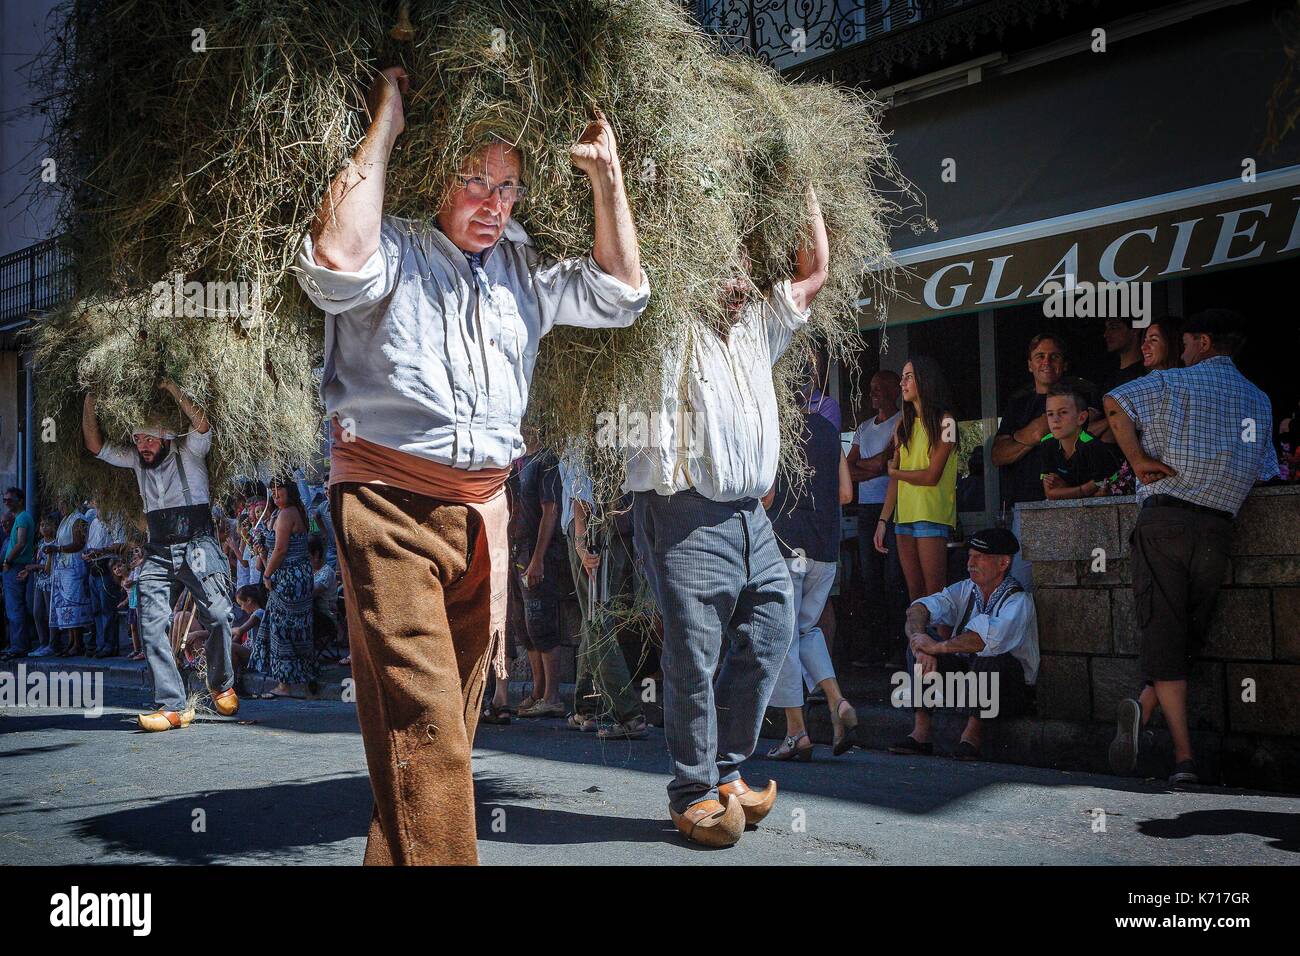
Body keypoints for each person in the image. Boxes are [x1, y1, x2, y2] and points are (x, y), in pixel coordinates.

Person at [294, 63, 647, 865]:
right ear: (434, 178)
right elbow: (334, 263)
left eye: (510, 187)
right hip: (386, 507)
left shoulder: (522, 270)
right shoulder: (394, 248)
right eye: (474, 181)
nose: (495, 203)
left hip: (486, 517)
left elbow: (624, 293)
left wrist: (608, 178)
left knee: (440, 734)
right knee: (431, 737)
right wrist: (385, 124)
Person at [625, 185, 828, 848]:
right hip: (682, 511)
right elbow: (627, 269)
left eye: (743, 268)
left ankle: (729, 770)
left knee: (773, 628)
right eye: (724, 270)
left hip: (751, 517)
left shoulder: (758, 325)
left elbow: (813, 272)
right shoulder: (661, 322)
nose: (738, 283)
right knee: (694, 653)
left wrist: (805, 186)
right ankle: (692, 792)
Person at [1103, 309, 1277, 786]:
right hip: (1219, 529)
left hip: (1166, 519)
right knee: (1189, 636)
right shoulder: (1260, 400)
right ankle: (1149, 714)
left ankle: (1181, 756)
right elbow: (1268, 471)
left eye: (1184, 344)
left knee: (1164, 632)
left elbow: (1114, 399)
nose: (1179, 351)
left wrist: (1137, 459)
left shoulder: (1174, 384)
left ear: (1202, 342)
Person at [82, 380, 238, 730]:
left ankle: (220, 683)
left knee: (220, 614)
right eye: (138, 439)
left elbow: (202, 423)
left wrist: (172, 387)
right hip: (157, 550)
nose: (143, 446)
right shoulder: (138, 461)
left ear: (167, 437)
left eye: (149, 439)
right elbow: (95, 446)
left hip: (197, 545)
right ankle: (171, 705)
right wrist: (91, 396)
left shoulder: (190, 450)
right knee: (150, 623)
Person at [890, 527, 1039, 761]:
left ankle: (971, 737)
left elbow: (986, 640)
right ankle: (921, 733)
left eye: (979, 557)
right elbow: (919, 609)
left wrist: (937, 647)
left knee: (990, 656)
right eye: (970, 555)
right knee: (919, 644)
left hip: (1009, 691)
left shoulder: (1018, 600)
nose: (971, 562)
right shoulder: (965, 589)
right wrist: (920, 643)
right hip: (970, 684)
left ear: (1003, 563)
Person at [764, 402, 856, 760]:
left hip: (788, 544)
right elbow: (846, 494)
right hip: (824, 547)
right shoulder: (831, 431)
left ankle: (796, 732)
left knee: (783, 637)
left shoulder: (775, 428)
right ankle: (838, 701)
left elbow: (768, 494)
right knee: (806, 631)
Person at [990, 334, 1097, 590]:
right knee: (1021, 587)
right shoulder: (1018, 405)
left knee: (1073, 587)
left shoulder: (1081, 396)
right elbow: (997, 455)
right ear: (1030, 364)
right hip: (1026, 508)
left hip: (1070, 504)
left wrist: (1021, 437)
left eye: (1054, 356)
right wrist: (1034, 434)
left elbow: (1091, 430)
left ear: (1064, 364)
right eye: (1040, 356)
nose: (1046, 362)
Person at [873, 357, 958, 617]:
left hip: (932, 515)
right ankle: (919, 656)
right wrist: (883, 520)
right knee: (915, 595)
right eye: (902, 376)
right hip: (904, 519)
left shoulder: (948, 423)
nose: (902, 382)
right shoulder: (903, 425)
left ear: (925, 380)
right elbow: (894, 480)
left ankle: (942, 654)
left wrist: (896, 471)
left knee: (936, 594)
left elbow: (932, 475)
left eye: (908, 376)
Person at [568, 486, 649, 740]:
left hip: (595, 532)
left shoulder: (582, 447)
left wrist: (581, 543)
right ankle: (587, 707)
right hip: (607, 528)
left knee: (597, 621)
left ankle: (627, 714)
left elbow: (579, 493)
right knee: (591, 618)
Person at [846, 369, 905, 665]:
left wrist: (873, 466)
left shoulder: (902, 422)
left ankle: (898, 648)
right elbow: (848, 469)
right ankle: (875, 648)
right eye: (871, 387)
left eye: (880, 387)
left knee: (894, 578)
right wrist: (873, 467)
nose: (874, 392)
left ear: (896, 389)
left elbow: (888, 463)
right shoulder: (863, 427)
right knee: (870, 579)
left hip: (893, 508)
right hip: (867, 510)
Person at [510, 443, 569, 718]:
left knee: (541, 619)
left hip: (536, 549)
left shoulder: (547, 460)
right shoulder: (517, 458)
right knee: (524, 624)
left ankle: (552, 696)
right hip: (515, 547)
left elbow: (551, 510)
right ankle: (537, 691)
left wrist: (538, 558)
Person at [249, 476, 317, 699]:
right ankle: (296, 680)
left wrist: (267, 574)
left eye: (280, 491)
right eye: (273, 492)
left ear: (290, 491)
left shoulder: (288, 513)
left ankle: (285, 684)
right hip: (291, 575)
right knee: (288, 626)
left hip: (290, 577)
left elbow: (280, 549)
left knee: (285, 628)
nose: (276, 496)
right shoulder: (280, 513)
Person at [1040, 385, 1121, 501]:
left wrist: (1066, 489)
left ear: (1081, 418)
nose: (1055, 419)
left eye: (1063, 412)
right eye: (1050, 414)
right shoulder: (1046, 443)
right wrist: (1084, 490)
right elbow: (1051, 494)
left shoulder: (1094, 447)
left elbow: (1100, 495)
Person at [83, 501, 127, 658]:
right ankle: (101, 644)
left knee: (107, 608)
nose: (93, 503)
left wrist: (100, 551)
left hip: (107, 567)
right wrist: (88, 553)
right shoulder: (94, 521)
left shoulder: (114, 517)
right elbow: (90, 544)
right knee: (96, 609)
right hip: (93, 568)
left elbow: (120, 544)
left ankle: (110, 645)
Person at [48, 508, 92, 658]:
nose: (61, 505)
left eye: (63, 501)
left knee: (74, 603)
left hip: (74, 566)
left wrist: (58, 548)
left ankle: (78, 643)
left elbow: (79, 543)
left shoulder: (78, 519)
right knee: (66, 605)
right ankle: (71, 642)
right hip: (64, 568)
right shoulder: (65, 519)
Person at [0, 488, 36, 660]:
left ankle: (18, 646)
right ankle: (17, 644)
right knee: (13, 608)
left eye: (9, 499)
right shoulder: (19, 518)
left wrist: (8, 561)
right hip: (15, 565)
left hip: (15, 565)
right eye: (4, 499)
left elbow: (20, 543)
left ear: (20, 500)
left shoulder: (22, 518)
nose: (6, 502)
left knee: (15, 608)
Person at [20, 516, 59, 657]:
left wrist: (34, 566)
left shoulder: (55, 543)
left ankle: (53, 644)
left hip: (50, 582)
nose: (43, 527)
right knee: (37, 611)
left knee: (50, 613)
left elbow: (49, 567)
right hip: (39, 582)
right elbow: (36, 562)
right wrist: (28, 570)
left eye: (46, 524)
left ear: (53, 527)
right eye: (41, 524)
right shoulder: (41, 542)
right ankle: (43, 643)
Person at [308, 534, 340, 661]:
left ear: (316, 554)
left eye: (308, 557)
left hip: (325, 619)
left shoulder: (327, 572)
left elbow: (312, 592)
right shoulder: (310, 571)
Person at [1098, 316, 1146, 396]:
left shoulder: (1145, 376)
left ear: (1135, 330)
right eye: (1107, 328)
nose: (1106, 334)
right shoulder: (1109, 377)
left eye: (1113, 328)